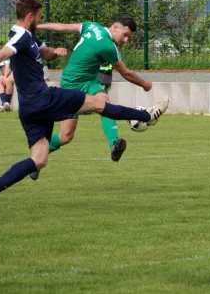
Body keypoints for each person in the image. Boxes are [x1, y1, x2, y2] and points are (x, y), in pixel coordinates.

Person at [0, 0, 168, 214]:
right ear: (30, 16)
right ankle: (145, 115)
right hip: (43, 98)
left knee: (39, 159)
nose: (40, 20)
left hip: (29, 108)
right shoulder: (21, 35)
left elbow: (45, 52)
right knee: (100, 104)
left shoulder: (30, 37)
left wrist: (55, 51)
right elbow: (4, 52)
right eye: (39, 16)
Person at [27, 17, 162, 181]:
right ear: (115, 27)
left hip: (90, 81)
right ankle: (36, 158)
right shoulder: (108, 46)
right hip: (70, 84)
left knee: (104, 103)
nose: (125, 40)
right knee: (66, 136)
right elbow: (125, 73)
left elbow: (63, 26)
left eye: (128, 37)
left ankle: (114, 144)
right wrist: (144, 84)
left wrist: (38, 26)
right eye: (125, 35)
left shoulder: (92, 26)